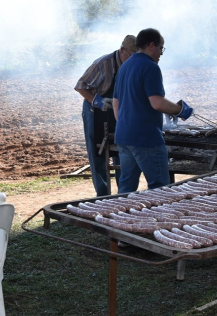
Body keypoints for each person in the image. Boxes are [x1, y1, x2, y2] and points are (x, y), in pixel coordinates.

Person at [112, 28, 193, 193]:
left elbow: (116, 102)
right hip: (146, 138)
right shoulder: (151, 67)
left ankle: (120, 218)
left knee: (126, 189)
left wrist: (124, 124)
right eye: (161, 48)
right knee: (160, 188)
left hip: (124, 136)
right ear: (151, 45)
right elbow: (157, 102)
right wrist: (180, 110)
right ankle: (162, 218)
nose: (161, 53)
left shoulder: (124, 67)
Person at [74, 35, 136, 196]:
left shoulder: (132, 65)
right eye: (132, 55)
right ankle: (103, 195)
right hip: (94, 112)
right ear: (123, 50)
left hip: (118, 113)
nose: (134, 59)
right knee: (98, 154)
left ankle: (123, 193)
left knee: (121, 152)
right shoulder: (103, 63)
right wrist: (97, 100)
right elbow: (80, 86)